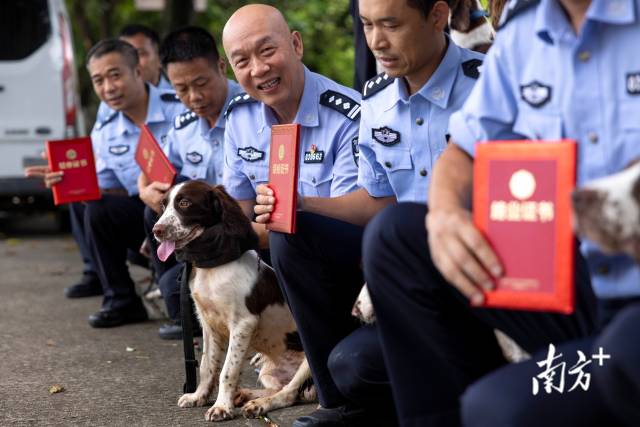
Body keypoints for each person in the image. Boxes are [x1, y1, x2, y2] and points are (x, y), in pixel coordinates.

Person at [362, 0, 640, 425]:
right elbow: (465, 149)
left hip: (632, 300)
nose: (377, 39)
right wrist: (446, 217)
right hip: (567, 285)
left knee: (498, 407)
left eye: (389, 23)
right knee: (395, 236)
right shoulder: (523, 33)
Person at [252, 0, 484, 425]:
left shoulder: (488, 87)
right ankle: (337, 403)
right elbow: (376, 200)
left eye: (391, 25)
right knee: (350, 365)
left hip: (473, 274)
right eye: (366, 25)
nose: (376, 41)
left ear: (437, 15)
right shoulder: (376, 99)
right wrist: (300, 203)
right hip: (404, 275)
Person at [28, 39, 183, 327]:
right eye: (98, 80)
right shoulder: (108, 128)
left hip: (183, 211)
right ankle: (121, 300)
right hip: (142, 213)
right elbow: (105, 187)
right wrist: (68, 180)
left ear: (137, 71)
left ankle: (180, 304)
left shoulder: (179, 108)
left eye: (115, 75)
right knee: (98, 208)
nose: (108, 88)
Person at [220, 4, 361, 250]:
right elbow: (239, 209)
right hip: (264, 249)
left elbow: (345, 223)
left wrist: (298, 207)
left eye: (267, 51)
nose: (259, 69)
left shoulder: (348, 117)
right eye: (242, 61)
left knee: (287, 237)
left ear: (296, 45)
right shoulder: (239, 117)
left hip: (331, 254)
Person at [137, 26, 242, 340]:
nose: (194, 97)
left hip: (238, 225)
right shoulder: (183, 124)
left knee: (176, 290)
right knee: (156, 206)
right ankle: (176, 300)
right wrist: (146, 191)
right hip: (194, 227)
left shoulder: (253, 111)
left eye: (202, 83)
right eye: (181, 89)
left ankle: (180, 297)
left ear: (221, 67)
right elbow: (154, 165)